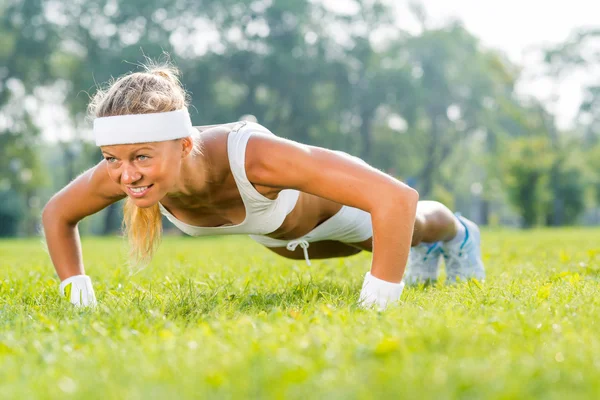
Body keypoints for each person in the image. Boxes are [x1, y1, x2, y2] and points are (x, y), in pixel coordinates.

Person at [41, 63, 485, 310]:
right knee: (363, 249)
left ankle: (459, 234)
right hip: (284, 242)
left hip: (339, 217)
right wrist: (79, 298)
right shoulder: (125, 169)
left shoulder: (253, 156)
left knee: (414, 223)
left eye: (140, 157)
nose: (126, 175)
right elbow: (57, 214)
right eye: (112, 158)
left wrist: (379, 300)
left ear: (183, 144)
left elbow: (395, 197)